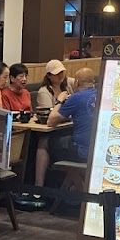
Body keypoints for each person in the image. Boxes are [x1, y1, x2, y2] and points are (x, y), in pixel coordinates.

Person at [18, 68, 98, 211]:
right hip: (97, 150)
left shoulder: (76, 97)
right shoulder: (100, 94)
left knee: (44, 140)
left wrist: (60, 100)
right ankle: (70, 190)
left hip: (82, 152)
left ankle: (39, 190)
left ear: (77, 82)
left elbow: (51, 120)